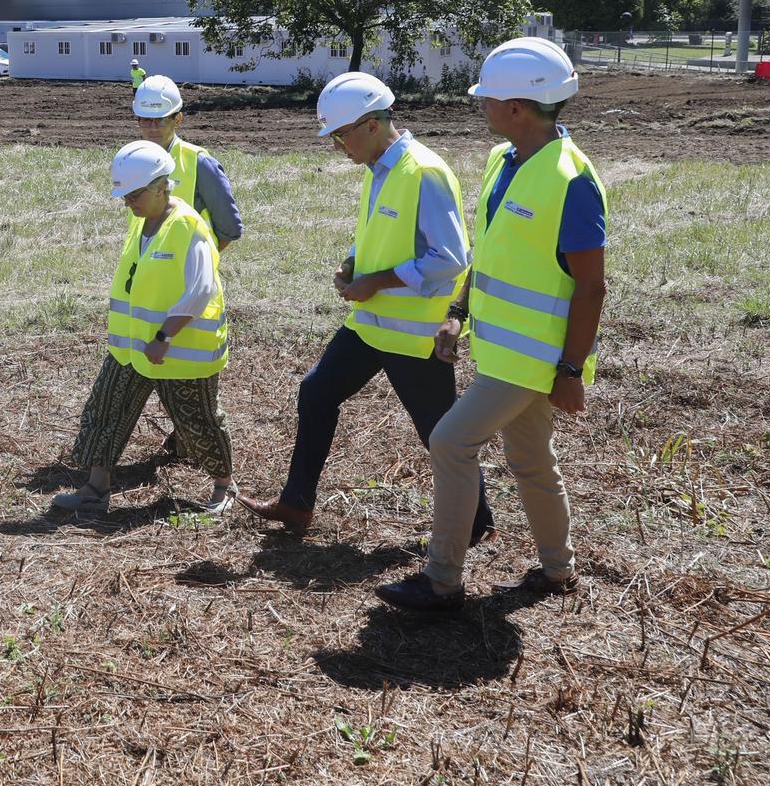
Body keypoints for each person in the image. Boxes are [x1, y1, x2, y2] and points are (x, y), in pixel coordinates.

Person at [378, 38, 607, 612]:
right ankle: (559, 570)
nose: (480, 108)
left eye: (487, 100)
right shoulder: (502, 162)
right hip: (502, 352)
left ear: (517, 108)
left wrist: (571, 370)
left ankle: (441, 580)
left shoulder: (573, 181)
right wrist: (458, 314)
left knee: (450, 442)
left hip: (535, 360)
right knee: (531, 460)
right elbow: (493, 255)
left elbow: (591, 287)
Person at [239, 72, 494, 542]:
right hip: (371, 325)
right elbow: (388, 241)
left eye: (341, 134)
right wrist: (354, 264)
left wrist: (376, 280)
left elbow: (451, 259)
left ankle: (478, 526)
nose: (338, 146)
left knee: (439, 434)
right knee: (316, 392)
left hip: (412, 334)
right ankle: (296, 504)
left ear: (373, 124)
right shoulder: (382, 170)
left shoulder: (425, 172)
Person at [53, 141, 235, 517]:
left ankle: (224, 485)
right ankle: (94, 489)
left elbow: (200, 290)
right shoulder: (142, 223)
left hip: (179, 353)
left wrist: (164, 337)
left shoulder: (187, 227)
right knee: (106, 411)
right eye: (124, 197)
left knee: (197, 420)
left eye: (133, 195)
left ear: (161, 187)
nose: (128, 203)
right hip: (131, 348)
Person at [131, 75, 243, 253]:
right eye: (145, 119)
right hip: (146, 271)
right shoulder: (133, 162)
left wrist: (200, 263)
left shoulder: (200, 163)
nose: (152, 127)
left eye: (161, 119)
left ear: (178, 119)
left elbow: (230, 228)